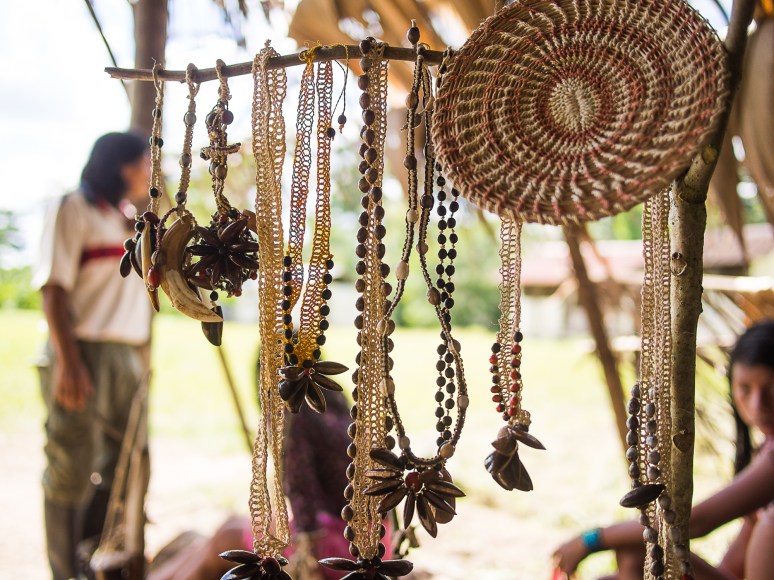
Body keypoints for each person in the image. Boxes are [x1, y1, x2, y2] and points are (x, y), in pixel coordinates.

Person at [552, 320, 774, 580]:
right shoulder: (764, 449)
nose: (758, 404)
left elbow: (697, 521)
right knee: (633, 560)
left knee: (636, 552)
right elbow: (733, 570)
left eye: (771, 388)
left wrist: (592, 539)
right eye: (745, 389)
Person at [33, 132, 153, 580]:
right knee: (73, 462)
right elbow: (53, 291)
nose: (149, 171)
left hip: (126, 356)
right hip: (81, 351)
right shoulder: (73, 209)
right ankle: (65, 571)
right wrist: (69, 361)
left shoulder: (127, 221)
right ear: (123, 167)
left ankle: (101, 557)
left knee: (127, 460)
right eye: (144, 162)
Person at [147, 390, 357, 580]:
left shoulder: (296, 415)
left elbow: (305, 511)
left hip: (338, 546)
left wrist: (309, 565)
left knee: (225, 537)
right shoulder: (332, 403)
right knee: (229, 527)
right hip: (354, 535)